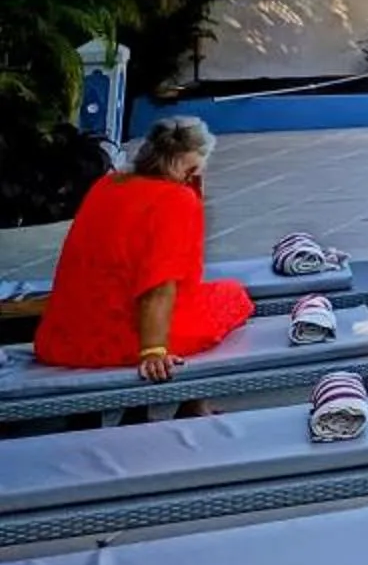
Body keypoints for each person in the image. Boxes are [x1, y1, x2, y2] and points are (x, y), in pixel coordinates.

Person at [34, 117, 254, 386]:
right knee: (233, 296)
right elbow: (159, 285)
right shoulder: (176, 199)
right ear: (189, 166)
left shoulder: (108, 184)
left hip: (62, 339)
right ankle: (191, 402)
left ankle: (183, 406)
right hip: (124, 343)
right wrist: (153, 351)